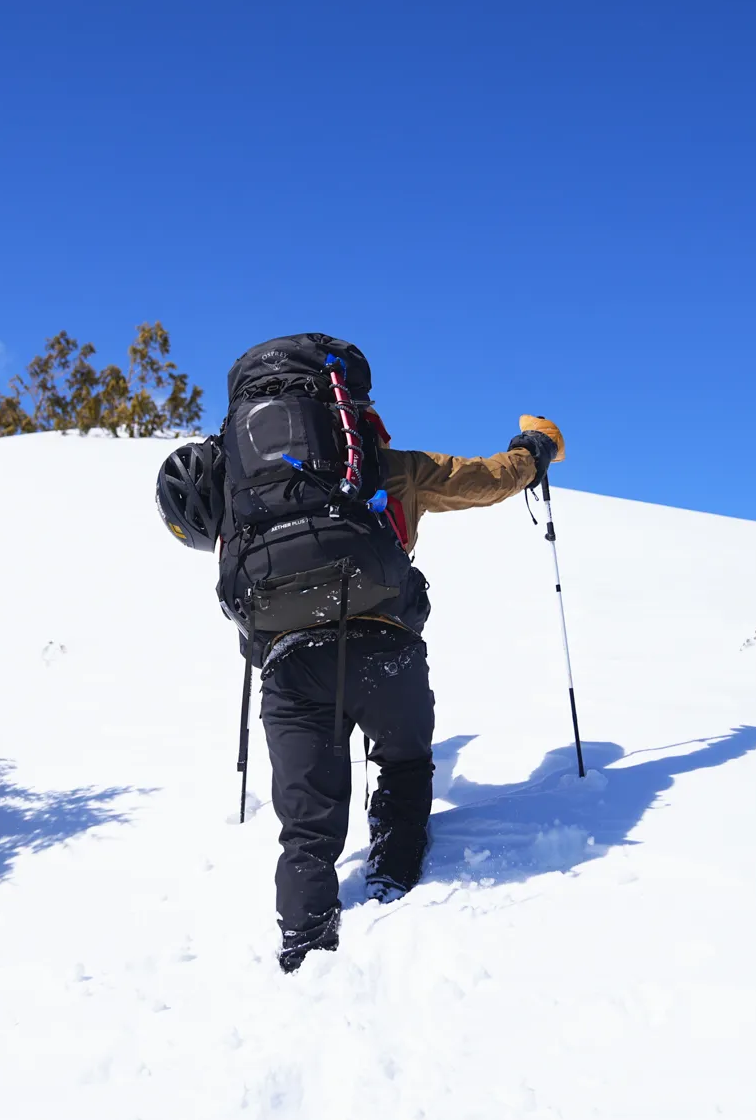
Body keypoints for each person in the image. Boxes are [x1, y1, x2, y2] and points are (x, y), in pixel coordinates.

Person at [157, 333, 564, 972]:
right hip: (386, 650)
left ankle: (306, 952)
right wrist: (534, 452)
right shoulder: (385, 470)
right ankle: (395, 884)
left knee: (307, 829)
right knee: (403, 764)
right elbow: (484, 480)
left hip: (292, 664)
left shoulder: (247, 497)